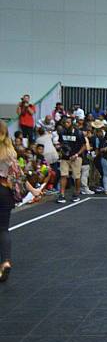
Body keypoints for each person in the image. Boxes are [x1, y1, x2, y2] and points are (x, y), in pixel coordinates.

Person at [0, 120, 42, 282]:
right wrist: (34, 190)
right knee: (3, 229)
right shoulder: (10, 153)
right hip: (4, 192)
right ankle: (5, 261)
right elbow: (20, 177)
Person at [56, 117, 86, 203]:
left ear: (72, 123)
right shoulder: (62, 132)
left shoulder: (78, 133)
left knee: (76, 176)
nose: (66, 124)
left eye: (68, 122)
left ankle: (76, 192)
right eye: (65, 122)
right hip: (65, 157)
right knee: (63, 175)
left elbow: (84, 146)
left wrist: (77, 154)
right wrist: (60, 148)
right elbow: (61, 143)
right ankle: (62, 194)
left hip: (76, 157)